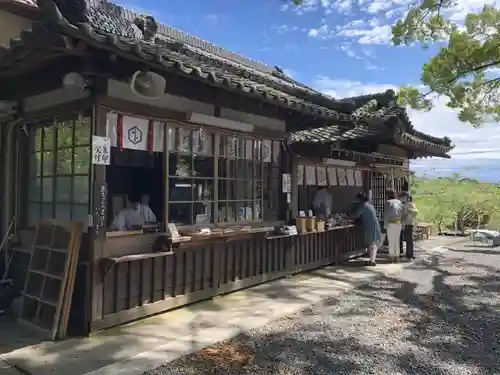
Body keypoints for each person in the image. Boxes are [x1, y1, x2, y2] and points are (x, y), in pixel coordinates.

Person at [353, 192, 382, 266]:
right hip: (374, 225)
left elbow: (356, 215)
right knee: (373, 244)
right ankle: (372, 260)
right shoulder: (370, 205)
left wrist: (346, 217)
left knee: (372, 244)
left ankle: (372, 261)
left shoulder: (363, 206)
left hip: (370, 226)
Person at [383, 189, 403, 263]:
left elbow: (386, 215)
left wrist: (385, 225)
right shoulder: (399, 202)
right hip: (398, 223)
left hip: (391, 223)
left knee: (391, 240)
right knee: (397, 240)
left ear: (388, 195)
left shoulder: (388, 202)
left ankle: (391, 257)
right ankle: (397, 257)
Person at [399, 192, 419, 259]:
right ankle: (409, 254)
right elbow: (415, 213)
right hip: (410, 224)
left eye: (402, 197)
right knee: (409, 241)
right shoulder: (410, 204)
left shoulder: (407, 205)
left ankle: (409, 255)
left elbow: (414, 212)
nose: (401, 199)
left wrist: (407, 212)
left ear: (406, 197)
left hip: (408, 224)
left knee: (408, 241)